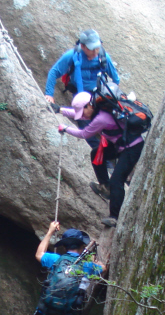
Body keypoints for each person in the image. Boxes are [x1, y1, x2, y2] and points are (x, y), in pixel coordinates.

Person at [57, 91, 143, 227]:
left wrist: (65, 128)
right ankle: (105, 187)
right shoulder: (98, 110)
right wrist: (60, 110)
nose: (82, 115)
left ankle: (115, 216)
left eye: (82, 111)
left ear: (88, 106)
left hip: (132, 147)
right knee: (96, 154)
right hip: (120, 145)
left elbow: (84, 134)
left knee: (117, 179)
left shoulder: (101, 118)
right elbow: (81, 116)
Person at [44, 29, 120, 104]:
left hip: (98, 94)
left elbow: (115, 79)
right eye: (91, 48)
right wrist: (49, 94)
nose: (95, 52)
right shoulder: (72, 55)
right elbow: (54, 72)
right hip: (79, 95)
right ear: (82, 46)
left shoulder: (104, 57)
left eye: (97, 48)